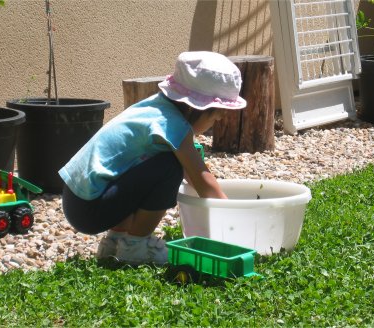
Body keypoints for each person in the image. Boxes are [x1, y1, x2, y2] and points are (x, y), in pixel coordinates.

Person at [59, 51, 247, 265]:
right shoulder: (172, 124)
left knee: (151, 167)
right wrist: (236, 219)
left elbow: (193, 176)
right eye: (217, 115)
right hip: (90, 208)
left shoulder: (154, 108)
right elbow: (202, 179)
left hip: (77, 200)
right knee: (169, 167)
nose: (219, 119)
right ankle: (137, 246)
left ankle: (115, 242)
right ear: (197, 107)